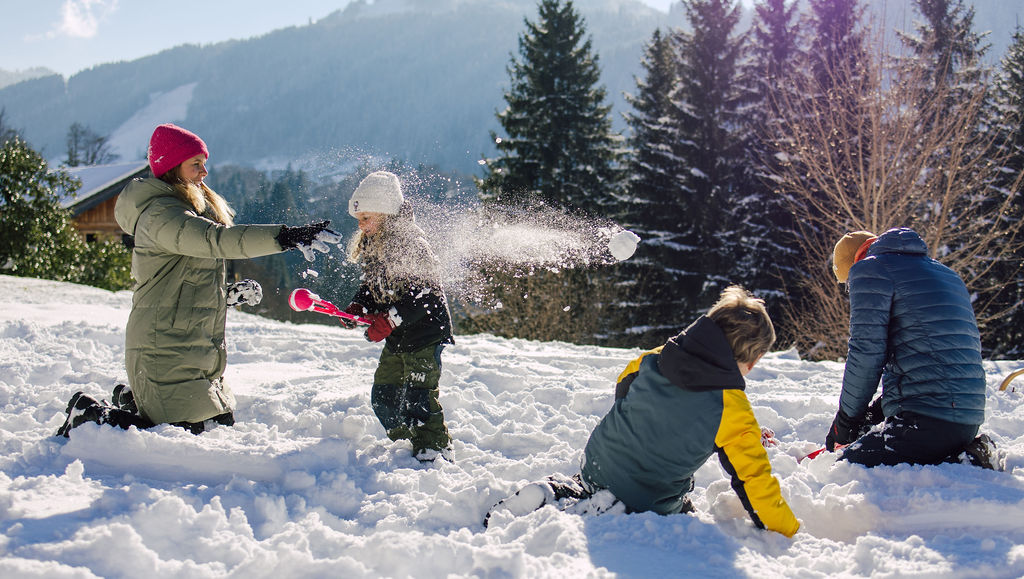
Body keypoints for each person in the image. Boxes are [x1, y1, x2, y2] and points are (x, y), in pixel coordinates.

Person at [56, 122, 339, 438]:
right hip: (163, 348)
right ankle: (89, 416)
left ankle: (134, 399)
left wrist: (225, 294)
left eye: (205, 163)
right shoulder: (161, 215)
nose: (204, 172)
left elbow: (184, 281)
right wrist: (282, 237)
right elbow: (216, 240)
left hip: (191, 349)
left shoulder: (184, 211)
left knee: (218, 425)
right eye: (196, 164)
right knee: (177, 434)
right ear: (173, 167)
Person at [486, 286, 800, 537]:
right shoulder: (731, 407)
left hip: (596, 462)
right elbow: (754, 483)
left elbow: (623, 389)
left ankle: (559, 492)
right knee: (685, 519)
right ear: (753, 359)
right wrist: (787, 529)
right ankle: (610, 511)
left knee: (601, 479)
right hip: (648, 498)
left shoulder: (656, 357)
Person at [825, 227, 999, 469]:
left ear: (852, 265)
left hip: (925, 422)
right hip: (966, 420)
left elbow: (866, 352)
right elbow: (931, 359)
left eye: (847, 284)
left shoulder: (869, 269)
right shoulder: (947, 273)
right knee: (912, 457)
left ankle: (966, 463)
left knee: (844, 468)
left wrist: (846, 421)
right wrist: (875, 412)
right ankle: (963, 457)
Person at [342, 171, 454, 462]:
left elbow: (427, 295)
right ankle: (409, 446)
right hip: (398, 337)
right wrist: (359, 306)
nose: (361, 226)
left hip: (425, 336)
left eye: (366, 218)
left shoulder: (412, 244)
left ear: (386, 212)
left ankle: (434, 453)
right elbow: (372, 285)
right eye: (359, 220)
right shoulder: (373, 242)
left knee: (419, 399)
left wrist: (390, 319)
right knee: (384, 400)